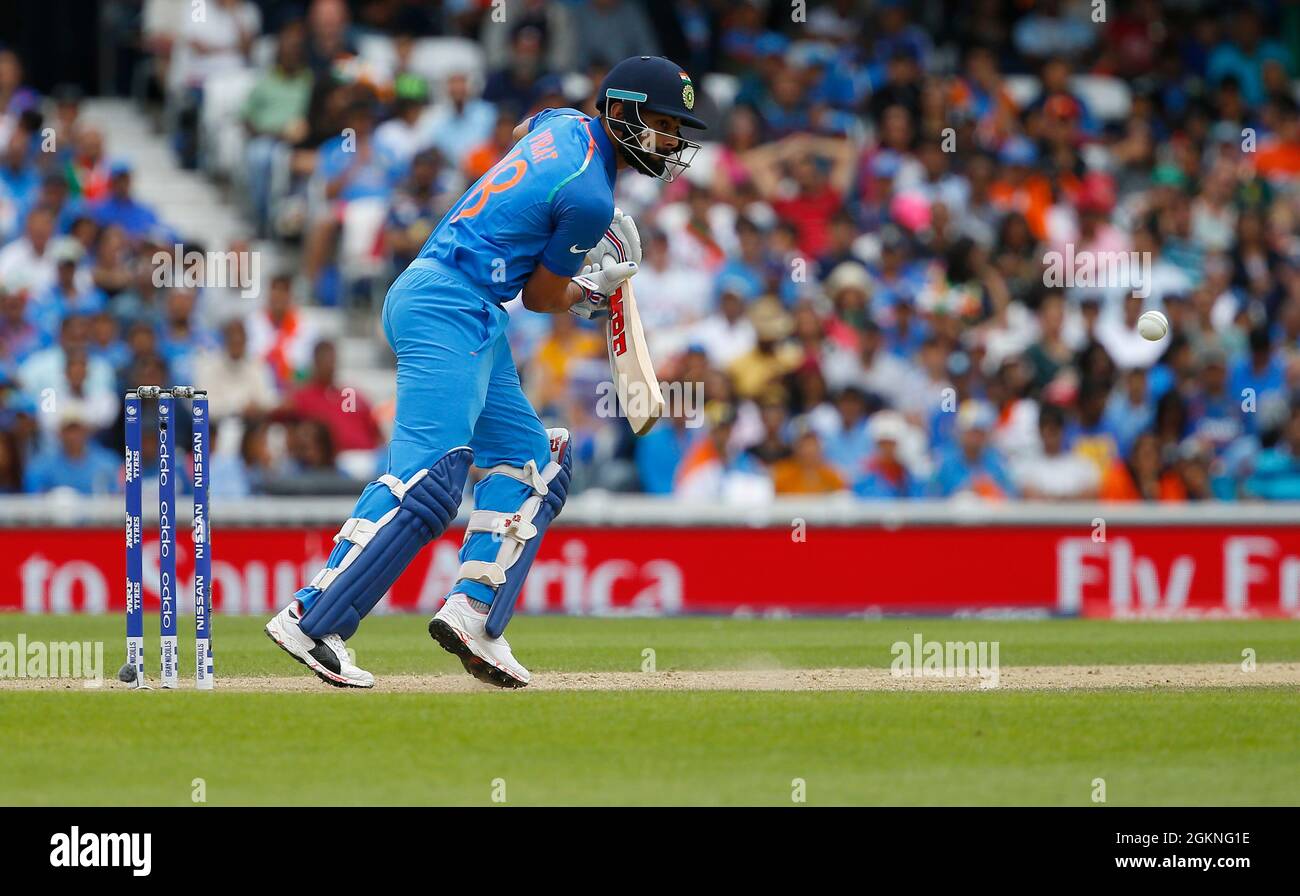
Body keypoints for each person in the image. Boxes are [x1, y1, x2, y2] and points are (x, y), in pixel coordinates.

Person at [265, 56, 704, 689]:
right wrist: (591, 288)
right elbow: (543, 299)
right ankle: (312, 618)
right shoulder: (589, 197)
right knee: (432, 478)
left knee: (537, 462)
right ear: (621, 111)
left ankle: (473, 615)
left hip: (466, 305)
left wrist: (574, 242)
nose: (671, 144)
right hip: (451, 304)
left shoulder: (562, 123)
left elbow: (532, 141)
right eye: (662, 125)